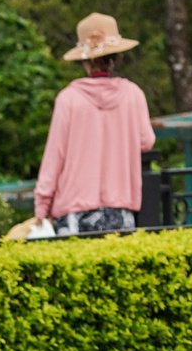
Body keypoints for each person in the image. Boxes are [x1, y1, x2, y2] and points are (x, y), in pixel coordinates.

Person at [34, 13, 156, 236]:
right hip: (121, 207)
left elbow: (54, 156)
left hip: (73, 210)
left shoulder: (68, 99)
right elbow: (146, 142)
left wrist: (42, 206)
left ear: (84, 60)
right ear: (117, 56)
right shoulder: (133, 94)